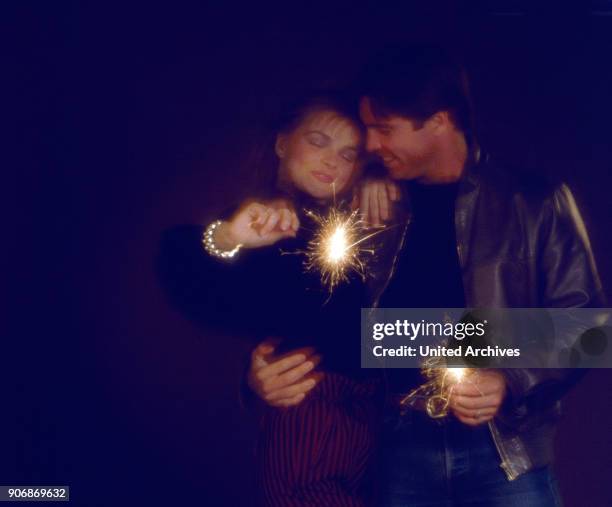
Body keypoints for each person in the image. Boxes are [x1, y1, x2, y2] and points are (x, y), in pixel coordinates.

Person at [246, 45, 604, 506]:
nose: (370, 145)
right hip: (394, 449)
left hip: (504, 454)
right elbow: (322, 319)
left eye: (383, 129)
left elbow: (589, 327)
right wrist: (257, 376)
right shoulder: (372, 205)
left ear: (439, 120)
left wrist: (509, 377)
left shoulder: (533, 201)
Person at [157, 90, 399, 506]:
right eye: (319, 141)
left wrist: (379, 175)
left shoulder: (366, 216)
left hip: (382, 426)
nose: (331, 161)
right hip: (311, 423)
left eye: (348, 154)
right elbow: (192, 278)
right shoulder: (262, 222)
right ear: (283, 142)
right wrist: (228, 237)